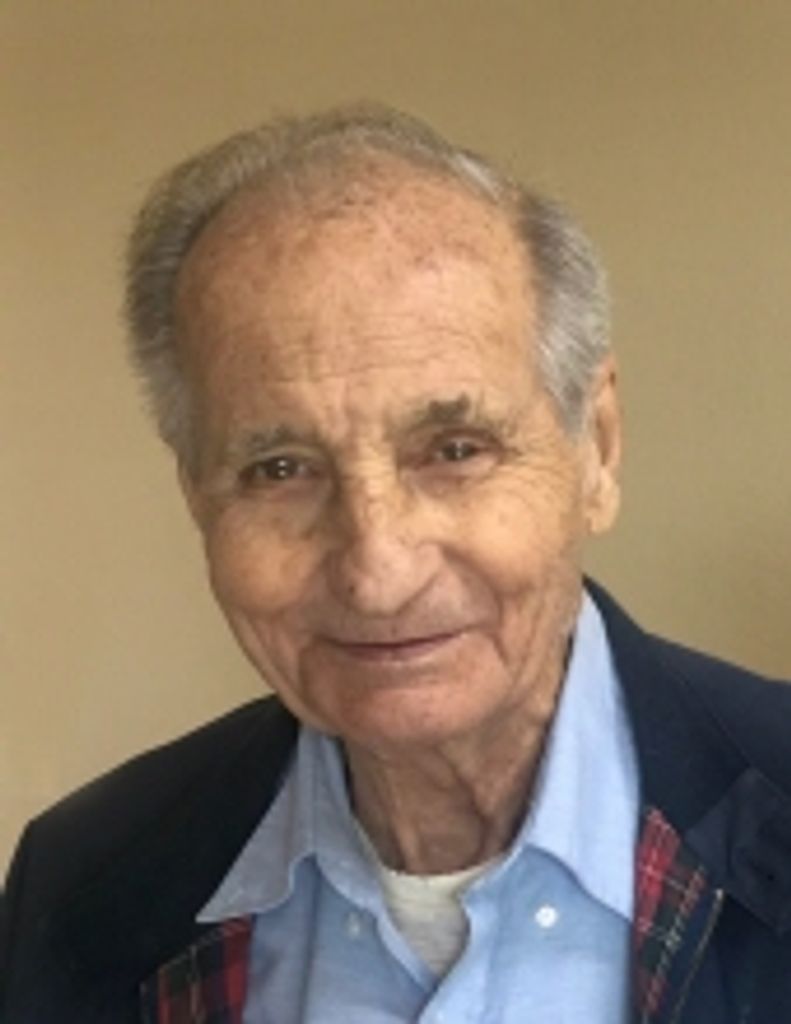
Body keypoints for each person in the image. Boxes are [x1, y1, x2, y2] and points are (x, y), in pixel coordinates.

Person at [2, 104, 791, 1024]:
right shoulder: (80, 889)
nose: (378, 575)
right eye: (280, 469)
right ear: (198, 497)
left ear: (597, 450)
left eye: (455, 450)